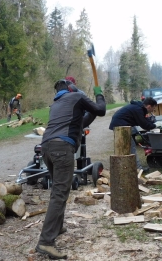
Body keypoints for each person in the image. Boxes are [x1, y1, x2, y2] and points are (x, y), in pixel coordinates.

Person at [35, 79, 106, 260]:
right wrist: (99, 95)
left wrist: (92, 110)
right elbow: (101, 110)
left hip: (46, 148)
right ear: (70, 88)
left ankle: (56, 227)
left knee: (58, 191)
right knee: (59, 194)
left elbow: (82, 122)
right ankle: (46, 242)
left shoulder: (56, 104)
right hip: (62, 150)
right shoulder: (77, 96)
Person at [109, 97, 162, 172]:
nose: (152, 111)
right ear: (149, 106)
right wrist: (155, 125)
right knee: (131, 146)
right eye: (153, 109)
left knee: (126, 147)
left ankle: (127, 167)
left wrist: (152, 123)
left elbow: (143, 120)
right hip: (120, 126)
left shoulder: (139, 107)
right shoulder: (138, 109)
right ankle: (138, 168)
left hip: (122, 124)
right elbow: (144, 124)